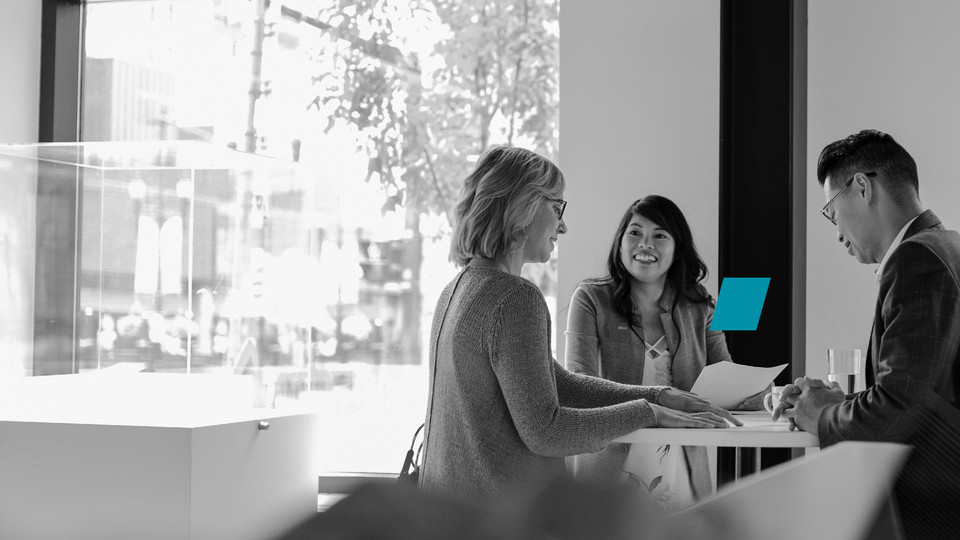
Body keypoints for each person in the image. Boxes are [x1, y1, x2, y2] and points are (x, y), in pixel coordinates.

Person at [419, 146, 741, 505]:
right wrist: (647, 412)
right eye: (557, 207)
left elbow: (559, 384)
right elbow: (546, 430)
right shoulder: (517, 298)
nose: (563, 224)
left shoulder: (458, 289)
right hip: (503, 517)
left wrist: (656, 396)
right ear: (522, 206)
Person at [774, 129, 960, 538]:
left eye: (830, 211)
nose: (837, 232)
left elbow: (897, 407)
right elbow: (924, 391)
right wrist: (843, 402)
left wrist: (820, 415)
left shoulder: (917, 257)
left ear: (861, 187)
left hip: (932, 509)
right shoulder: (947, 245)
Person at [565, 195, 763, 507]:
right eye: (635, 233)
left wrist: (759, 394)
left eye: (659, 235)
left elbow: (725, 374)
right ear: (620, 243)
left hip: (683, 462)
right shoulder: (591, 298)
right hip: (610, 461)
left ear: (677, 249)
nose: (645, 244)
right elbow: (580, 383)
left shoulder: (699, 304)